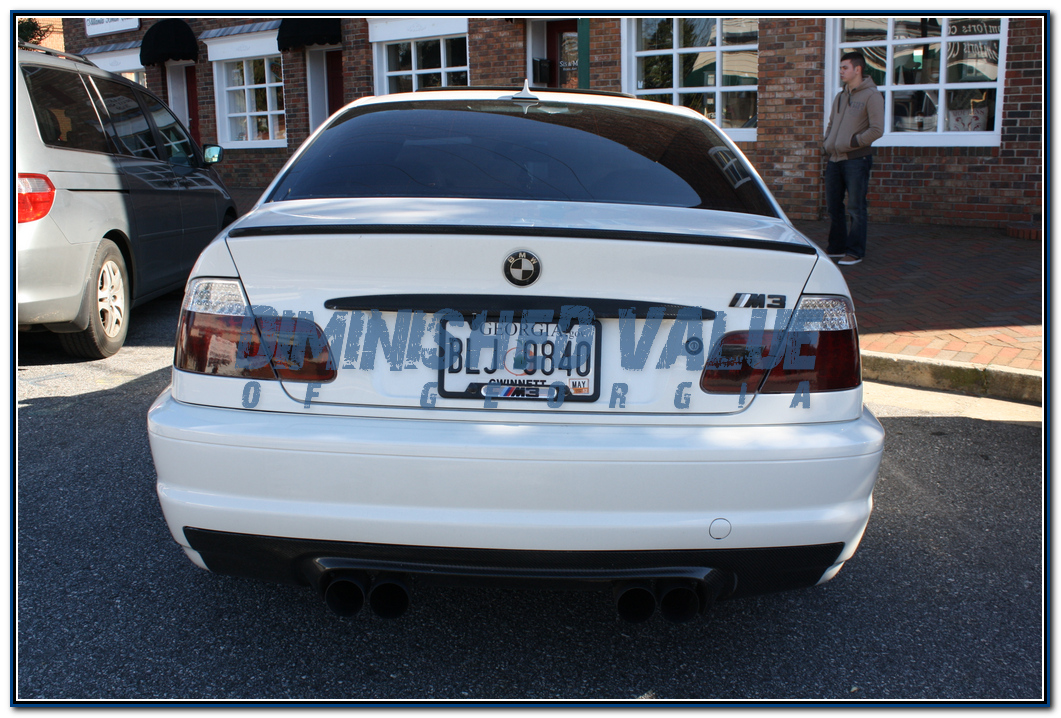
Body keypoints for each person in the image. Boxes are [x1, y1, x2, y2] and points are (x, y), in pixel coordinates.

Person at [823, 51, 884, 266]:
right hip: (834, 159)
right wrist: (827, 142)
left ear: (857, 69)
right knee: (833, 206)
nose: (841, 71)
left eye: (845, 68)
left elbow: (877, 130)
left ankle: (855, 251)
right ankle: (837, 247)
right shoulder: (840, 96)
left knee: (856, 208)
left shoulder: (872, 96)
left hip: (856, 160)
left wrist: (854, 142)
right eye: (840, 67)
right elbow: (831, 123)